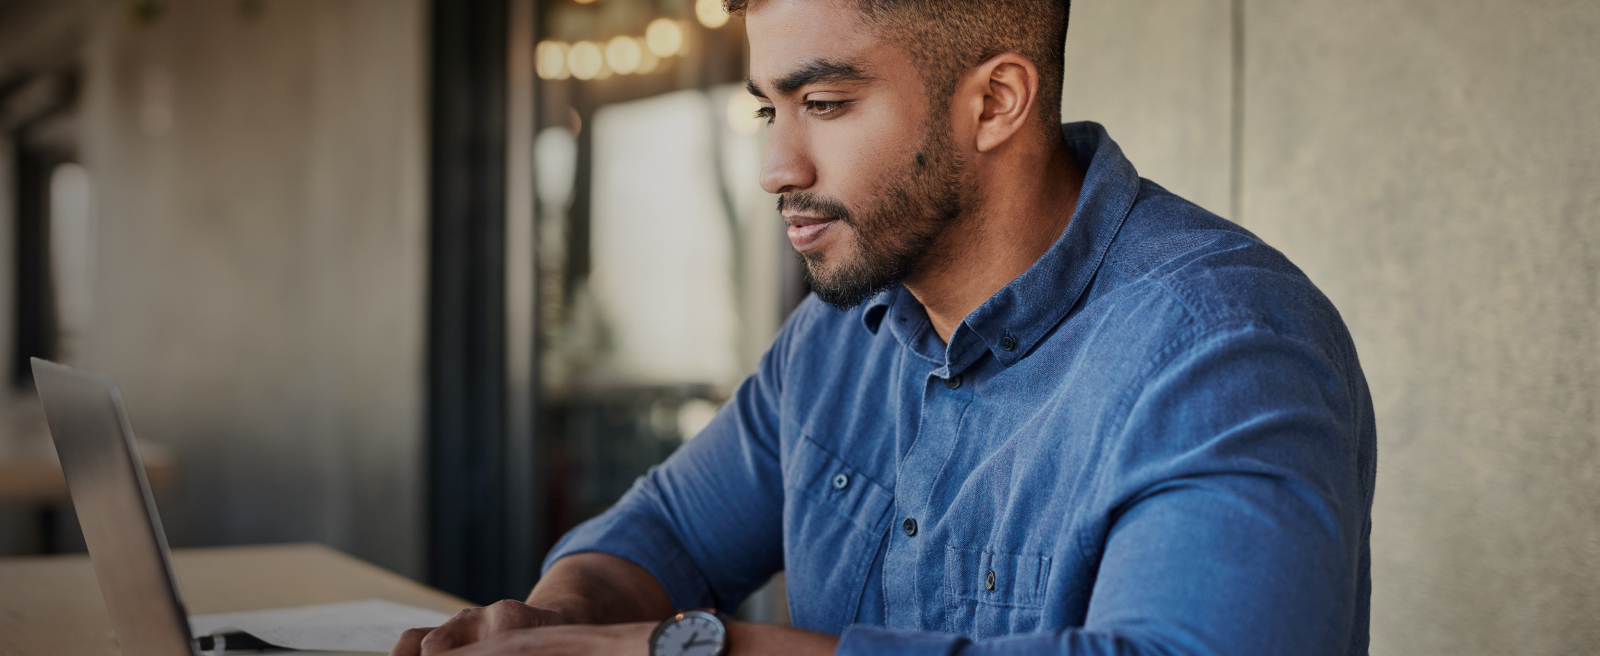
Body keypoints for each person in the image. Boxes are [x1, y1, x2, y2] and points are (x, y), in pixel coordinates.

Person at [392, 0, 1376, 653]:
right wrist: (563, 618)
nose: (777, 165)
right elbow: (664, 531)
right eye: (766, 109)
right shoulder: (835, 337)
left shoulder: (1227, 348)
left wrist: (687, 647)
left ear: (993, 102)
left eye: (823, 102)